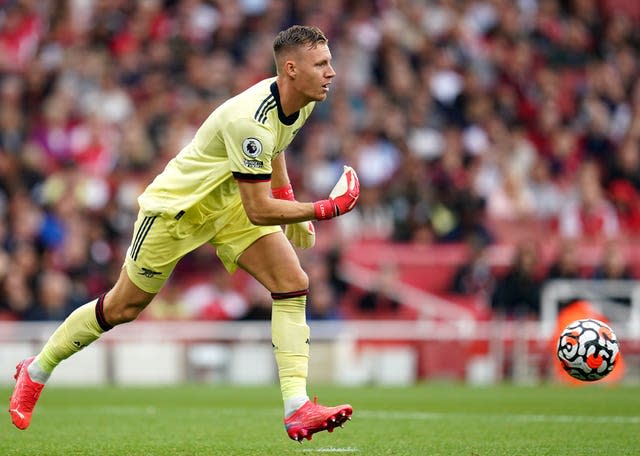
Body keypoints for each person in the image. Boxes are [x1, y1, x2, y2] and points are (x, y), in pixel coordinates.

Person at [9, 25, 359, 443]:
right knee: (122, 307)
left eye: (329, 62)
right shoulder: (250, 119)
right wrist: (323, 209)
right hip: (176, 211)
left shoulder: (302, 100)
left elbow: (276, 148)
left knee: (293, 283)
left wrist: (290, 200)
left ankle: (296, 407)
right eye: (322, 64)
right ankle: (35, 371)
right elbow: (260, 208)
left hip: (228, 206)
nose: (331, 72)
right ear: (291, 69)